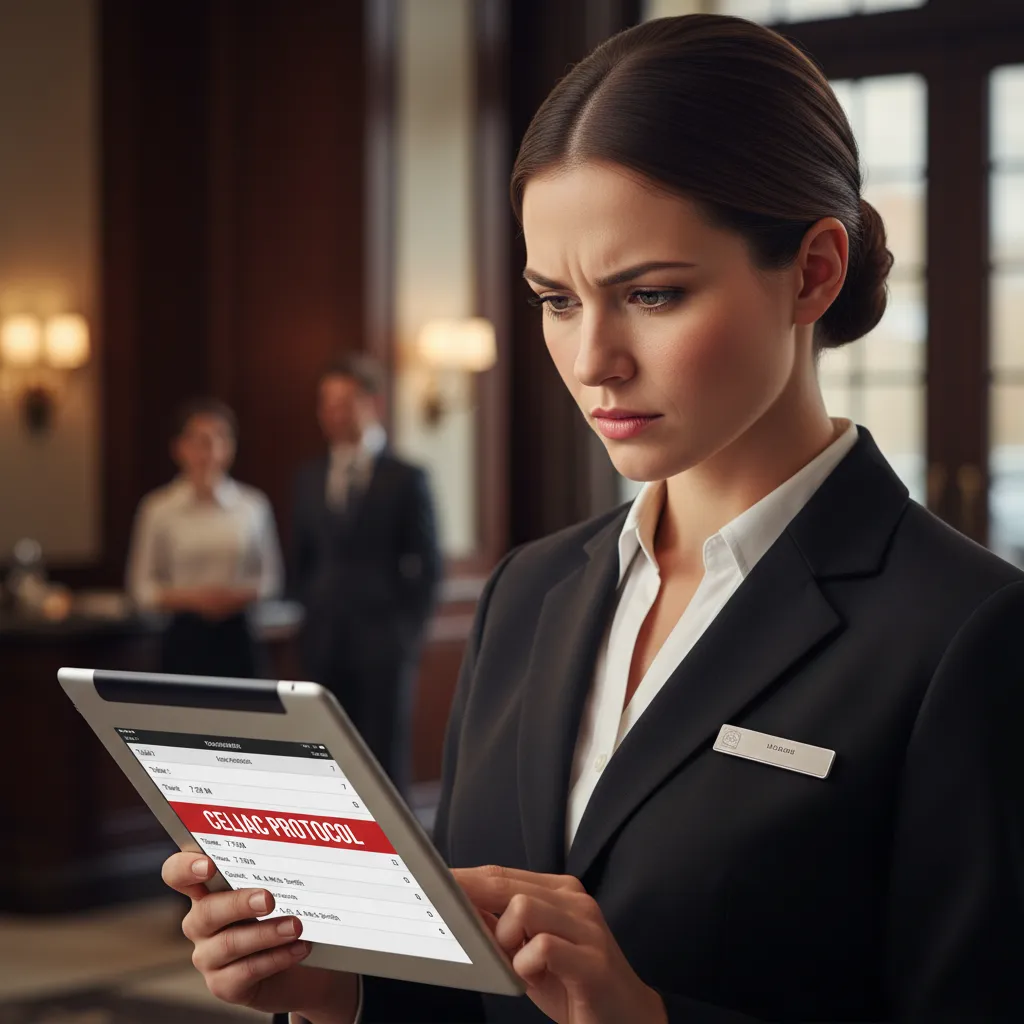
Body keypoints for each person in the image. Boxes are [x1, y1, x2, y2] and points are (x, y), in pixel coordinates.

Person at [161, 14, 1024, 1023]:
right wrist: (344, 989)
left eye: (650, 295)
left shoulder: (969, 636)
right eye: (555, 300)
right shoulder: (528, 591)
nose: (590, 360)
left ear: (813, 271)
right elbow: (481, 989)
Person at [289, 354, 442, 796]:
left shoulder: (406, 477)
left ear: (371, 402)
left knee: (382, 762)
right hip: (322, 641)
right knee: (324, 760)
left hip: (384, 643)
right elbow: (301, 559)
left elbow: (428, 567)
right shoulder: (309, 476)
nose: (333, 413)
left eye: (344, 401)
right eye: (325, 403)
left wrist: (407, 636)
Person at [126, 397, 283, 678]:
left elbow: (271, 579)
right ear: (179, 448)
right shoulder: (158, 509)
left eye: (219, 439)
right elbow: (141, 588)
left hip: (238, 635)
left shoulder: (253, 505)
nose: (208, 450)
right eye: (199, 440)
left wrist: (231, 597)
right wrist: (194, 599)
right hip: (183, 636)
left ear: (231, 447)